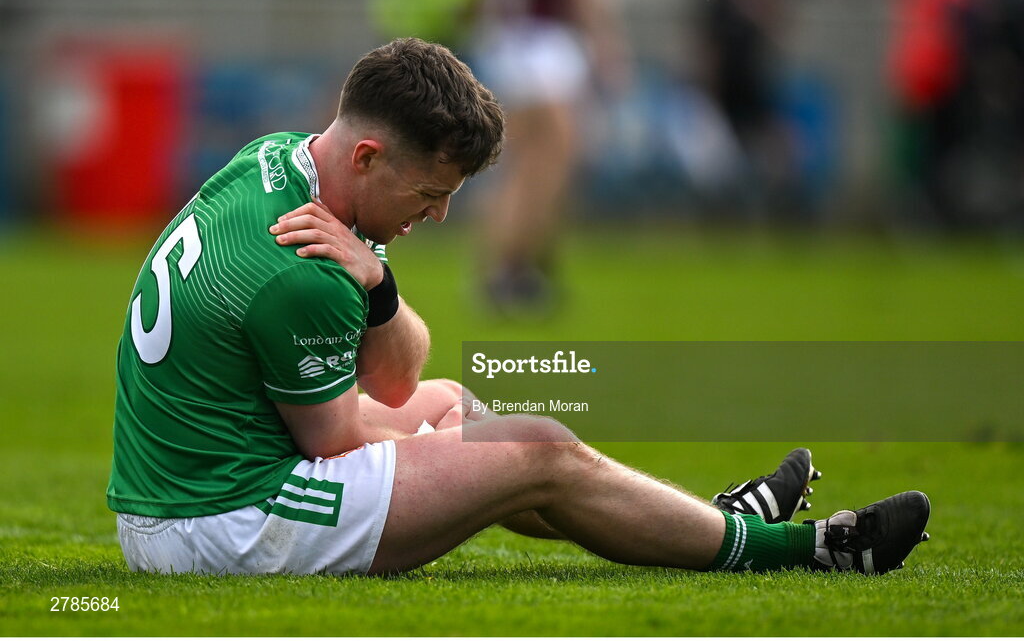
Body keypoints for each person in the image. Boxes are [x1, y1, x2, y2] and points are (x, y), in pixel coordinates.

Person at [108, 38, 930, 577]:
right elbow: (334, 440)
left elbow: (399, 378)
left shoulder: (289, 164)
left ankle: (707, 523)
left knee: (461, 406)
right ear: (368, 154)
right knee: (535, 445)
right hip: (215, 522)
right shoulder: (305, 267)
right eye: (430, 193)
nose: (438, 217)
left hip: (192, 486)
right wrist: (453, 441)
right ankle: (807, 548)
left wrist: (381, 284)